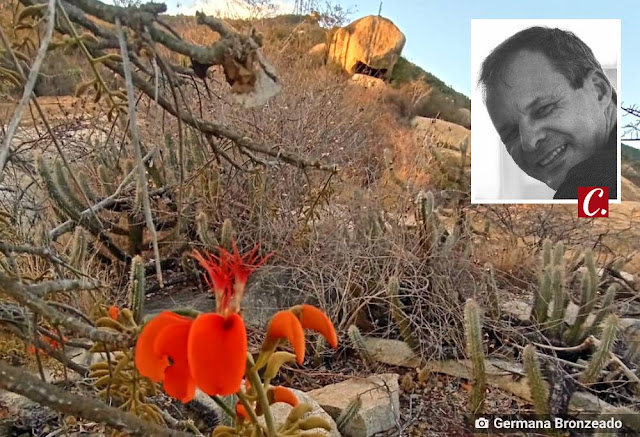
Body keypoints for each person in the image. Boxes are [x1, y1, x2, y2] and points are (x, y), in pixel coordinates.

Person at [478, 26, 617, 199]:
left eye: (543, 110)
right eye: (511, 133)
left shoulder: (591, 185)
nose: (529, 142)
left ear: (599, 90)